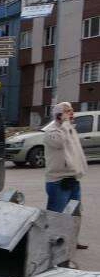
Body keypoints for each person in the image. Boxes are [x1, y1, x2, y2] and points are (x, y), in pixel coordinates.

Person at [44, 101, 89, 250]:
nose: (72, 114)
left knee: (75, 212)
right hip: (57, 180)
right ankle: (50, 243)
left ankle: (72, 241)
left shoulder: (69, 128)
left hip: (72, 178)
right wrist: (64, 123)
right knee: (57, 215)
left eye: (71, 111)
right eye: (68, 111)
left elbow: (75, 151)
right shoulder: (51, 131)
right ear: (59, 115)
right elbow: (59, 143)